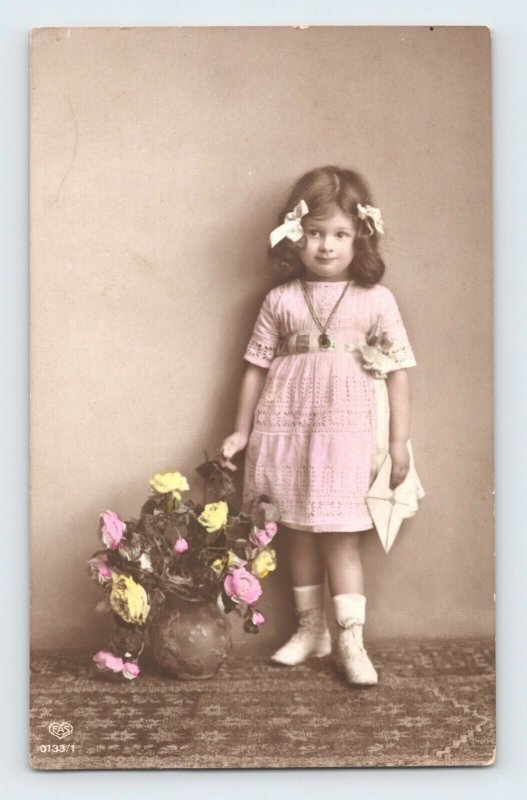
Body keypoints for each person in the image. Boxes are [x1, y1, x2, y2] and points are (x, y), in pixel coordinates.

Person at [219, 165, 417, 687]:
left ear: (360, 237)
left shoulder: (377, 300)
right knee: (297, 534)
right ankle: (312, 631)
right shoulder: (280, 300)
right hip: (288, 430)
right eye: (314, 233)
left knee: (340, 537)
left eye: (340, 234)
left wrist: (398, 444)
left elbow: (397, 372)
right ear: (294, 234)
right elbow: (255, 368)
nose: (326, 247)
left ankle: (350, 639)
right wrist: (240, 432)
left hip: (348, 434)